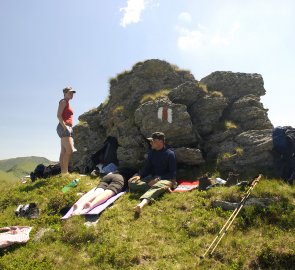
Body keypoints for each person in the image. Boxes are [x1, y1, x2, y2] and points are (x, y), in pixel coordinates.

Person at [128, 132, 177, 216]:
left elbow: (172, 173)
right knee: (131, 182)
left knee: (158, 185)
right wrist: (139, 175)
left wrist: (158, 179)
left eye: (152, 141)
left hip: (166, 179)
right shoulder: (152, 153)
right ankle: (162, 190)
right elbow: (147, 168)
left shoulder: (170, 154)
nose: (150, 143)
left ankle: (141, 204)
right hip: (152, 178)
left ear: (159, 141)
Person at [72, 167, 137, 215]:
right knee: (107, 193)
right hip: (120, 178)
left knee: (98, 191)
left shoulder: (119, 168)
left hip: (109, 176)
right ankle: (90, 206)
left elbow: (109, 173)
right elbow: (132, 181)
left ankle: (80, 205)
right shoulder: (136, 172)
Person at [56, 87, 76, 175]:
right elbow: (58, 115)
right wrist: (65, 127)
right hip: (64, 126)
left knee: (63, 151)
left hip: (66, 126)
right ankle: (65, 172)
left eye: (72, 93)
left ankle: (63, 172)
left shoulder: (67, 102)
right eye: (70, 93)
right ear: (65, 93)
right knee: (70, 150)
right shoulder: (63, 101)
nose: (72, 94)